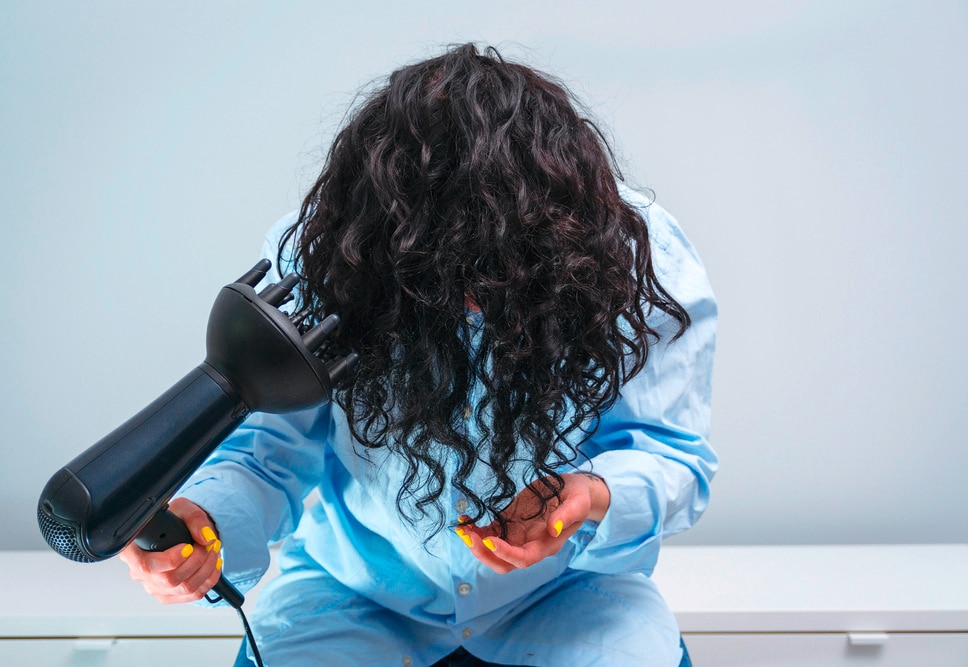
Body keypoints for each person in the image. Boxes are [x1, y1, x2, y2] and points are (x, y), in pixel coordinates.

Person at [119, 43, 717, 667]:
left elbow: (671, 455)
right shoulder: (324, 256)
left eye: (504, 266)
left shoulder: (638, 256)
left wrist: (587, 494)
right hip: (352, 596)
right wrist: (206, 518)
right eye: (445, 271)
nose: (474, 300)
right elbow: (268, 457)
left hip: (569, 595)